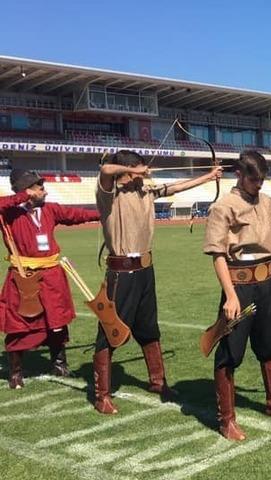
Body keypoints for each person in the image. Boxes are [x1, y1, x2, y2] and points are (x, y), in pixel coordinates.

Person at [93, 150, 221, 414]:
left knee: (149, 329)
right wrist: (136, 172)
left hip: (145, 272)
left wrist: (209, 176)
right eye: (139, 170)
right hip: (122, 273)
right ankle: (101, 394)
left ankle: (158, 381)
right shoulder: (109, 195)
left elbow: (176, 187)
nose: (145, 174)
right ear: (127, 171)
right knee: (111, 329)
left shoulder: (146, 192)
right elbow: (106, 171)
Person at [203, 150, 271, 441]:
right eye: (254, 179)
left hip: (267, 283)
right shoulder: (223, 207)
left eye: (262, 179)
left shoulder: (267, 202)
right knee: (230, 352)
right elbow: (218, 255)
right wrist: (230, 296)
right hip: (239, 286)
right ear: (239, 175)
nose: (259, 185)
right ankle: (227, 420)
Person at [0, 169, 100, 388]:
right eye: (39, 187)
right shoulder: (9, 213)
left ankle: (59, 363)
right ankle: (16, 372)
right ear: (27, 190)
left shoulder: (50, 209)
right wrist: (24, 196)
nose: (44, 191)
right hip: (24, 276)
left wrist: (103, 214)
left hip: (52, 275)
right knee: (20, 325)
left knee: (57, 321)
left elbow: (77, 215)